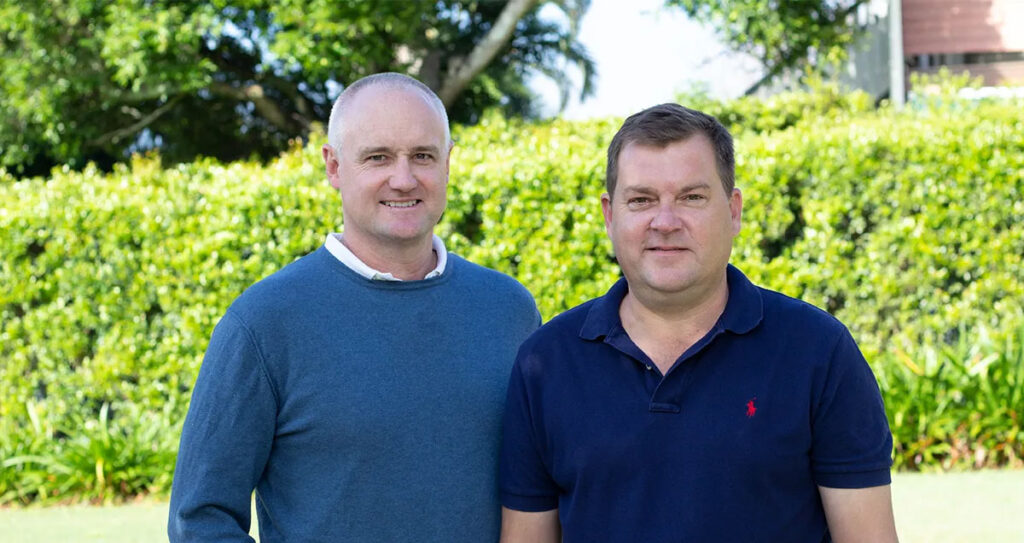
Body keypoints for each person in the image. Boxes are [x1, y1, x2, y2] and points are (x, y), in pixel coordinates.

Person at [499, 103, 898, 542]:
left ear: (733, 211)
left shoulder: (819, 352)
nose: (665, 222)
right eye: (641, 200)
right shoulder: (546, 362)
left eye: (692, 197)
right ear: (610, 217)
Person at [168, 73, 540, 542]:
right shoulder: (264, 322)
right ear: (334, 166)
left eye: (422, 156)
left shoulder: (508, 311)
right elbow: (200, 518)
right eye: (378, 157)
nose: (403, 179)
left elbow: (543, 489)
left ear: (448, 164)